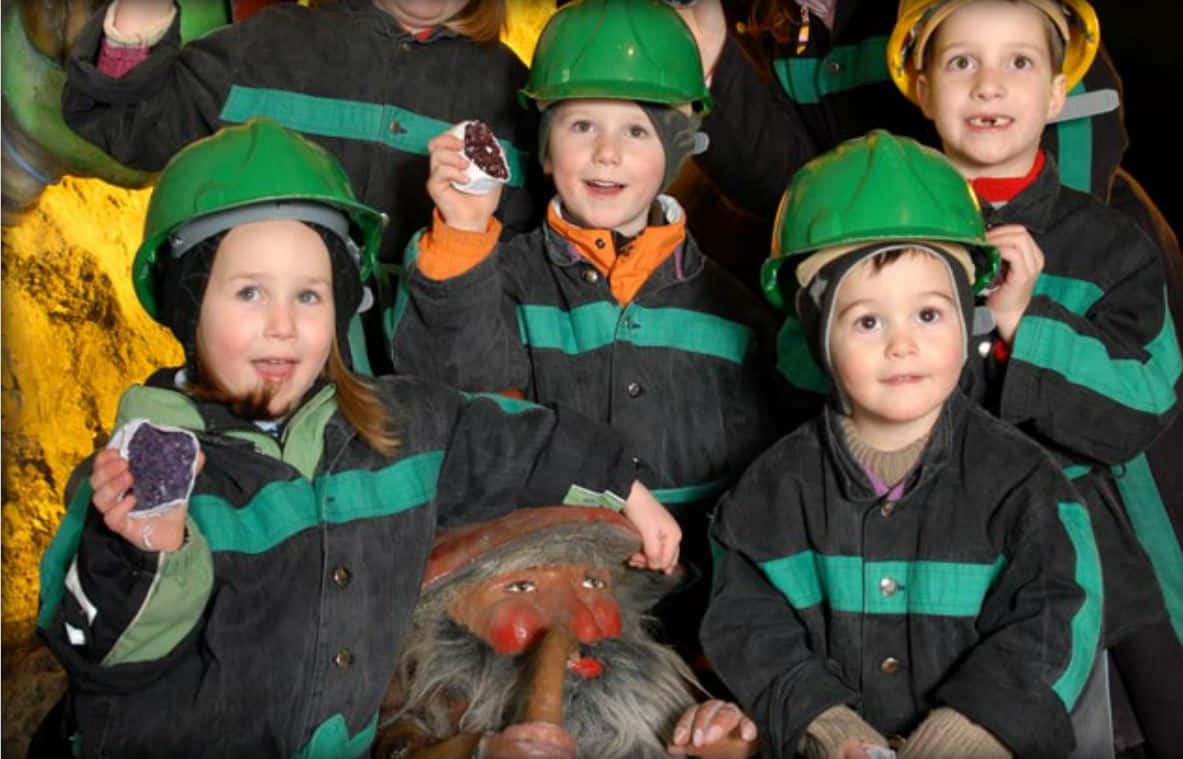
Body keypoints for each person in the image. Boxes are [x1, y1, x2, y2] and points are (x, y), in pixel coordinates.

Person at [33, 119, 681, 758]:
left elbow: (500, 439)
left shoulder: (399, 427)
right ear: (188, 305)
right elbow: (101, 656)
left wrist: (622, 485)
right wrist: (148, 553)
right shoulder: (132, 479)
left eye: (309, 296)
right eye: (249, 292)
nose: (282, 325)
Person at [390, 0, 786, 660]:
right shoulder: (497, 274)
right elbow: (457, 399)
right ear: (542, 146)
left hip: (698, 631)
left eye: (636, 130)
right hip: (531, 617)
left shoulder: (735, 312)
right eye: (580, 125)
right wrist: (460, 233)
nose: (606, 152)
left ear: (680, 144)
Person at [705, 131, 1103, 758]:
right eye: (867, 320)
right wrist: (826, 724)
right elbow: (748, 627)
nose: (902, 344)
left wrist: (972, 729)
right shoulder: (768, 496)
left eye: (928, 314)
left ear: (966, 316)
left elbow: (1058, 615)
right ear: (818, 340)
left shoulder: (1023, 483)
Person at [888, 2, 1183, 753]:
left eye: (1018, 62)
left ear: (1056, 93)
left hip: (1105, 566)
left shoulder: (1112, 242)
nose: (988, 85)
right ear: (919, 86)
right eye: (959, 62)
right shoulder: (877, 235)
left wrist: (1027, 321)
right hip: (929, 550)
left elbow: (1142, 401)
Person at [61, 0, 544, 372]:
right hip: (263, 390)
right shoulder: (269, 48)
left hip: (428, 402)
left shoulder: (510, 93)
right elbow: (126, 121)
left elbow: (537, 280)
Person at [374, 506, 759, 759]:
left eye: (592, 582)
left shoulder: (651, 679)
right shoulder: (428, 691)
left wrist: (724, 740)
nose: (580, 620)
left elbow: (725, 742)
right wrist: (476, 750)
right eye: (522, 588)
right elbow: (398, 747)